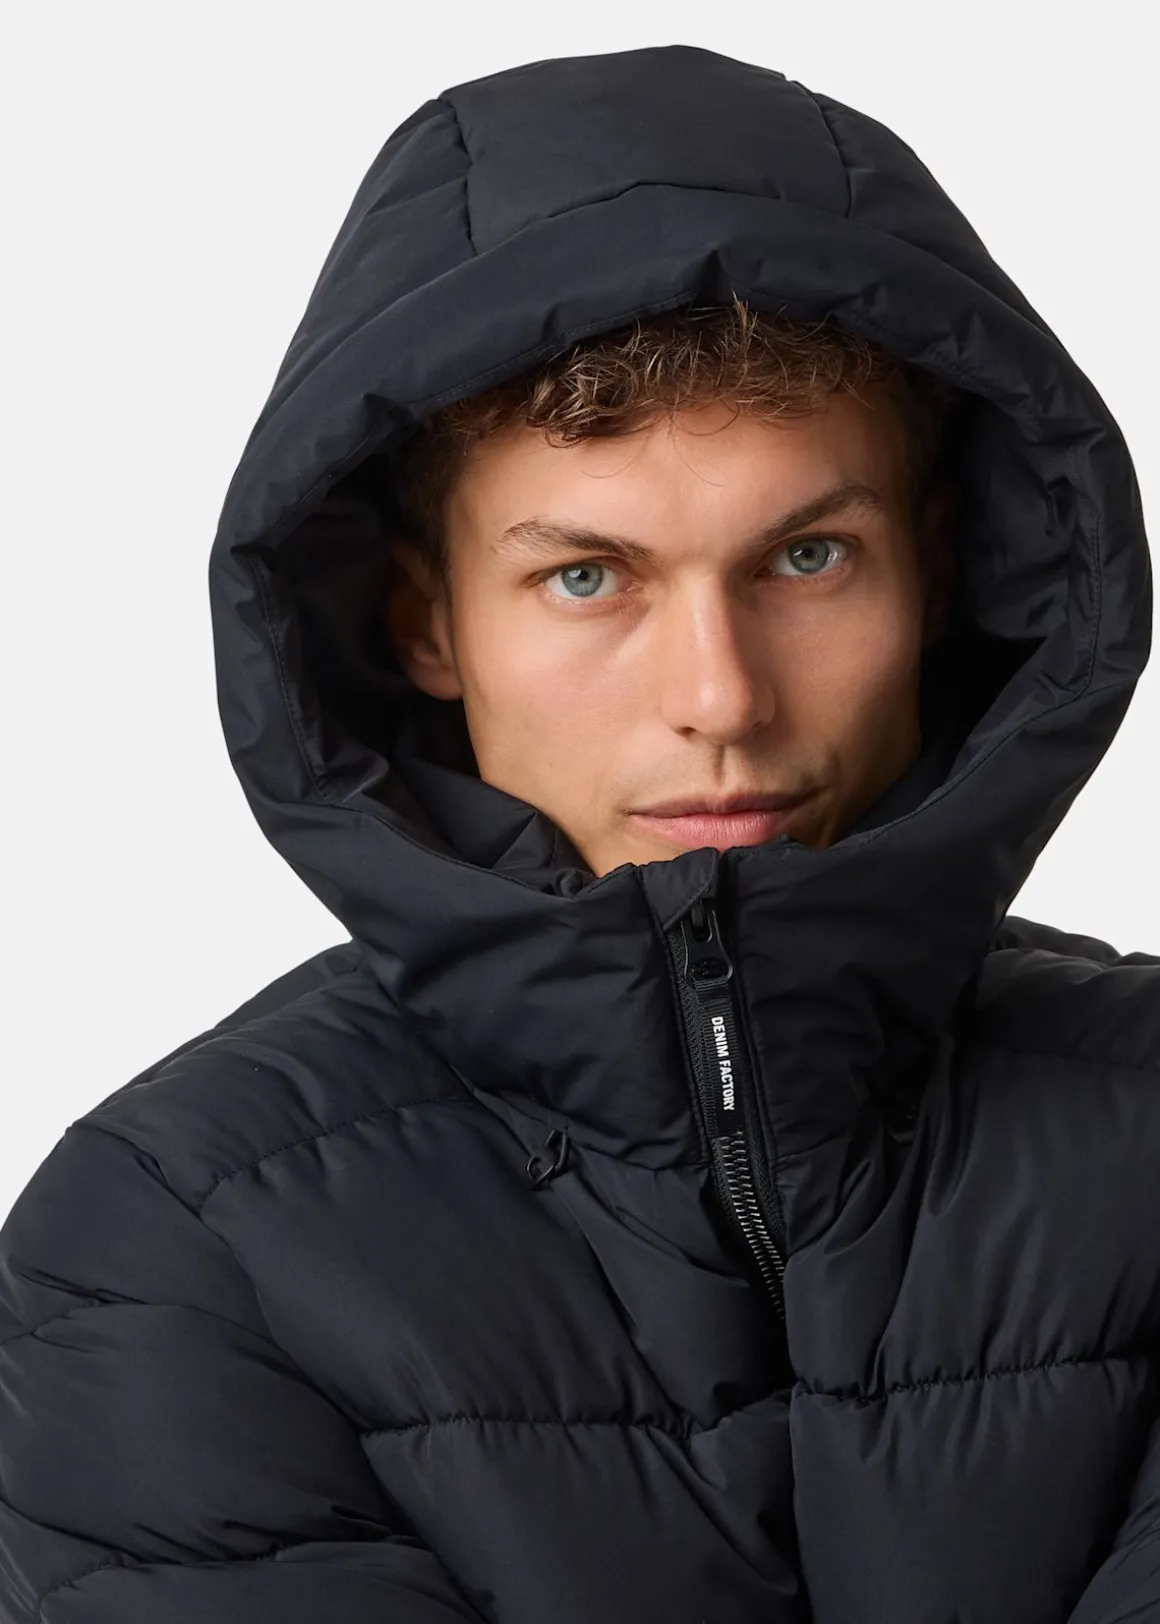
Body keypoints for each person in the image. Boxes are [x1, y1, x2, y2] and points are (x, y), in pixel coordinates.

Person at [0, 39, 1154, 1624]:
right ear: (424, 620)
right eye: (587, 578)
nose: (719, 696)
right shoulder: (173, 1243)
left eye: (808, 557)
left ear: (938, 573)